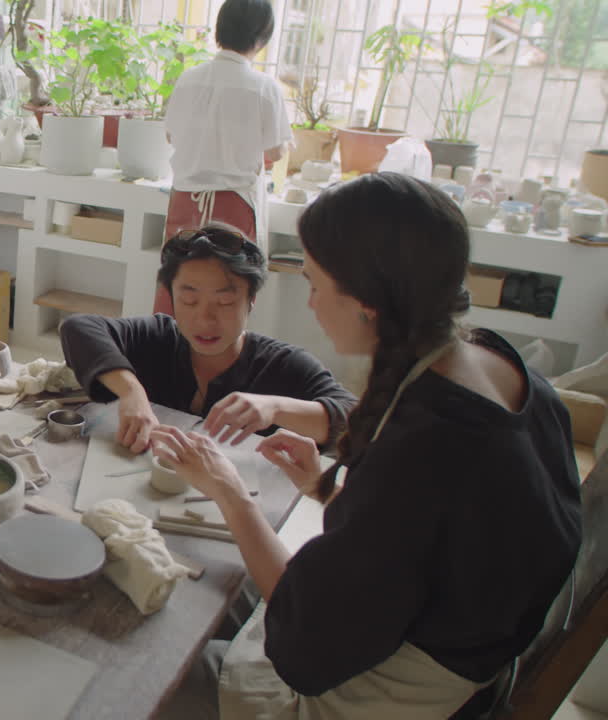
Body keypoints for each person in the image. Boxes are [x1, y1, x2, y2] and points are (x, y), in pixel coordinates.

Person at [154, 173, 581, 718]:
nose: (309, 304)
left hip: (385, 698)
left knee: (162, 663)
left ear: (366, 300)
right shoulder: (509, 372)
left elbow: (304, 653)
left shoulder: (424, 449)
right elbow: (440, 541)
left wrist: (228, 491)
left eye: (313, 283)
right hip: (458, 648)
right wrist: (328, 490)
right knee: (217, 589)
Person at [61, 222, 355, 454]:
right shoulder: (159, 337)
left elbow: (356, 419)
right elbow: (79, 328)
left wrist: (274, 408)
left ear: (251, 301)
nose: (205, 320)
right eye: (189, 301)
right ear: (172, 298)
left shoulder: (284, 365)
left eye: (225, 303)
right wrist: (131, 392)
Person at [153, 0, 292, 316]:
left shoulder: (189, 79)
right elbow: (275, 151)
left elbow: (171, 135)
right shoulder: (263, 87)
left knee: (178, 288)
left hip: (186, 201)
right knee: (226, 296)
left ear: (220, 29)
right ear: (262, 37)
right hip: (234, 205)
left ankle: (162, 358)